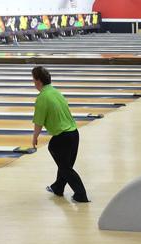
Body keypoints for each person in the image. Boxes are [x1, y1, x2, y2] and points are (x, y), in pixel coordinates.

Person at [25, 66, 91, 204]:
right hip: (74, 134)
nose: (33, 83)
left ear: (38, 81)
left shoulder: (42, 97)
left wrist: (34, 137)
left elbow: (38, 121)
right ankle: (58, 187)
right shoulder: (56, 92)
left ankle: (81, 195)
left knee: (64, 166)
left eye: (33, 80)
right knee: (65, 165)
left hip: (63, 137)